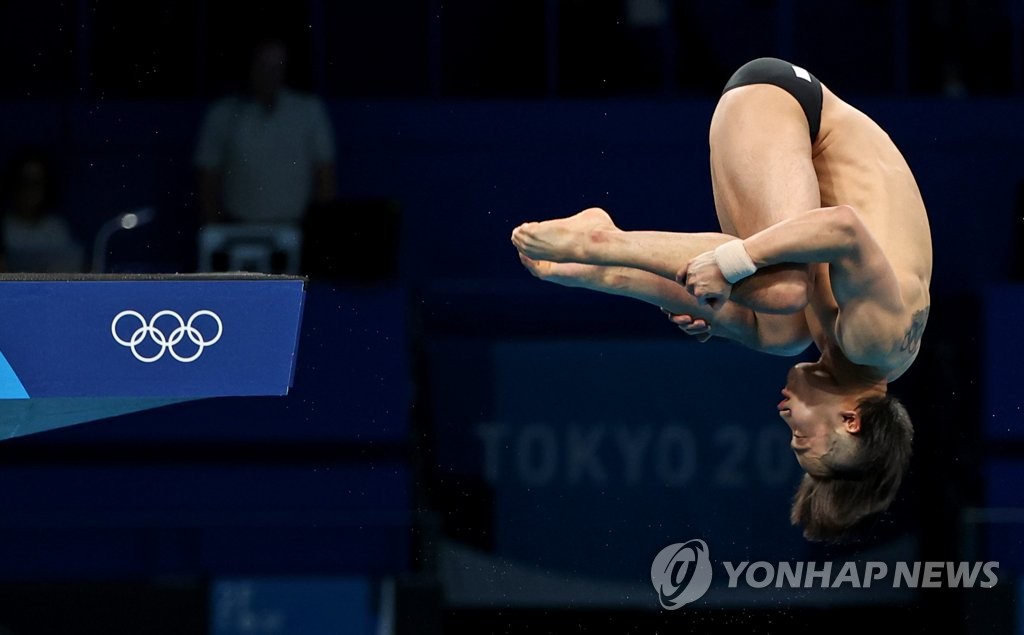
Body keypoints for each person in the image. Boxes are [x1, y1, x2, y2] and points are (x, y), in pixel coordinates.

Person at [511, 57, 932, 541]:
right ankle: (602, 243)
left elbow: (784, 290)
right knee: (784, 291)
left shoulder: (856, 355)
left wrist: (718, 309)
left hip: (780, 131)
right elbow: (843, 228)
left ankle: (603, 272)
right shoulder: (878, 343)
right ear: (851, 420)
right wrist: (735, 264)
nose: (785, 419)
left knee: (778, 331)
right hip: (786, 105)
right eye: (801, 437)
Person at [194, 36, 336, 227]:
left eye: (277, 66)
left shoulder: (308, 110)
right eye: (263, 65)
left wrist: (320, 231)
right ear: (250, 66)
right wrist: (214, 229)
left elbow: (325, 175)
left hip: (294, 230)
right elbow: (207, 178)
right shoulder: (223, 113)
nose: (270, 74)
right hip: (238, 229)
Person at [1, 148, 84, 273]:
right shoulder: (4, 227)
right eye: (24, 181)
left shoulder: (56, 228)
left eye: (36, 183)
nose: (30, 190)